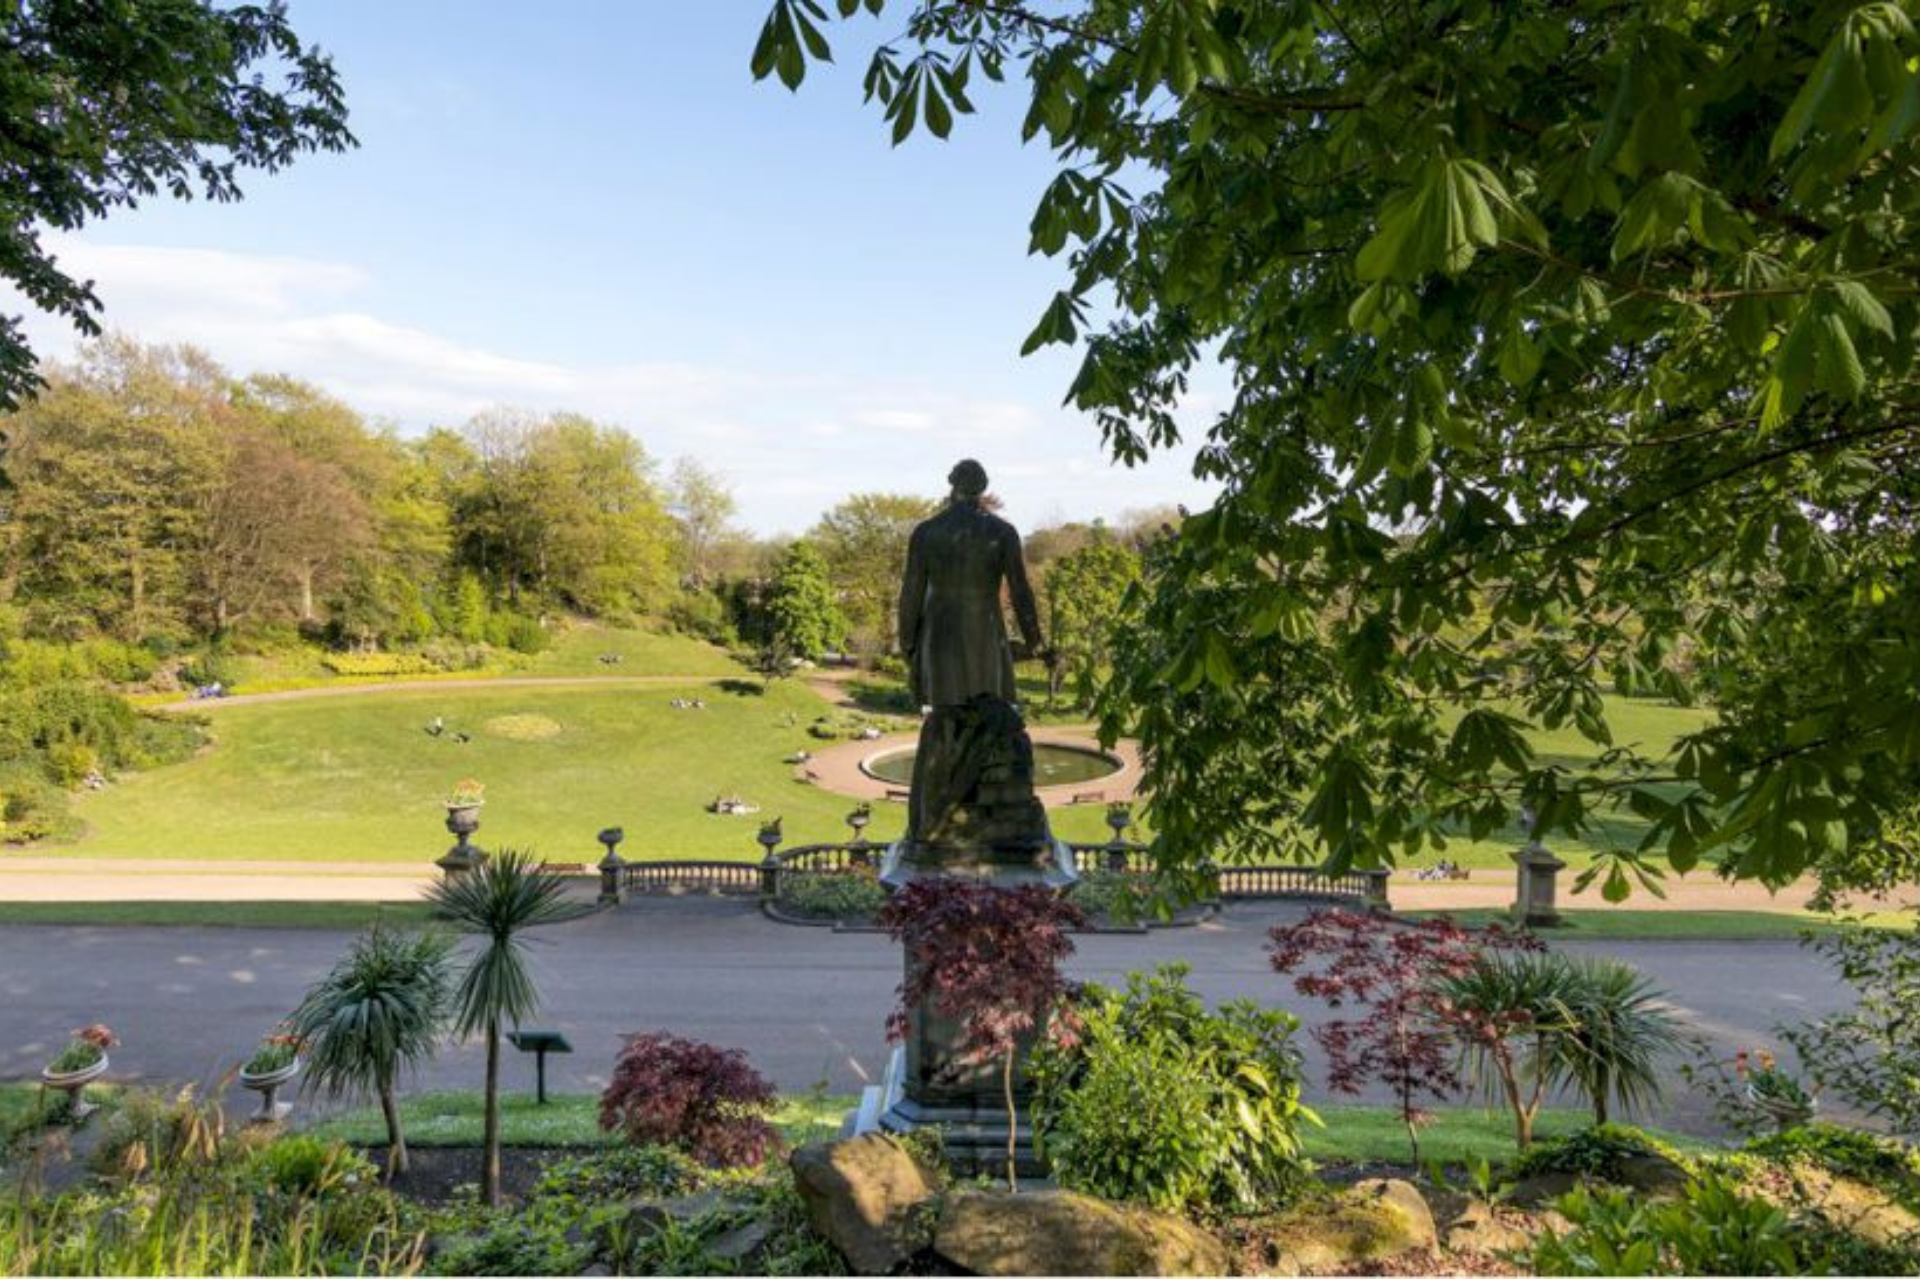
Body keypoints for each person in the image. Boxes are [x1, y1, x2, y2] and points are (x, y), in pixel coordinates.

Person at [897, 459, 1045, 710]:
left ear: (953, 485)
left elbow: (911, 594)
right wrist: (1034, 640)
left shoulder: (926, 532)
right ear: (982, 488)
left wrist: (907, 643)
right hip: (985, 636)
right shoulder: (1003, 532)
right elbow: (1020, 590)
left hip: (939, 636)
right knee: (986, 715)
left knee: (945, 715)